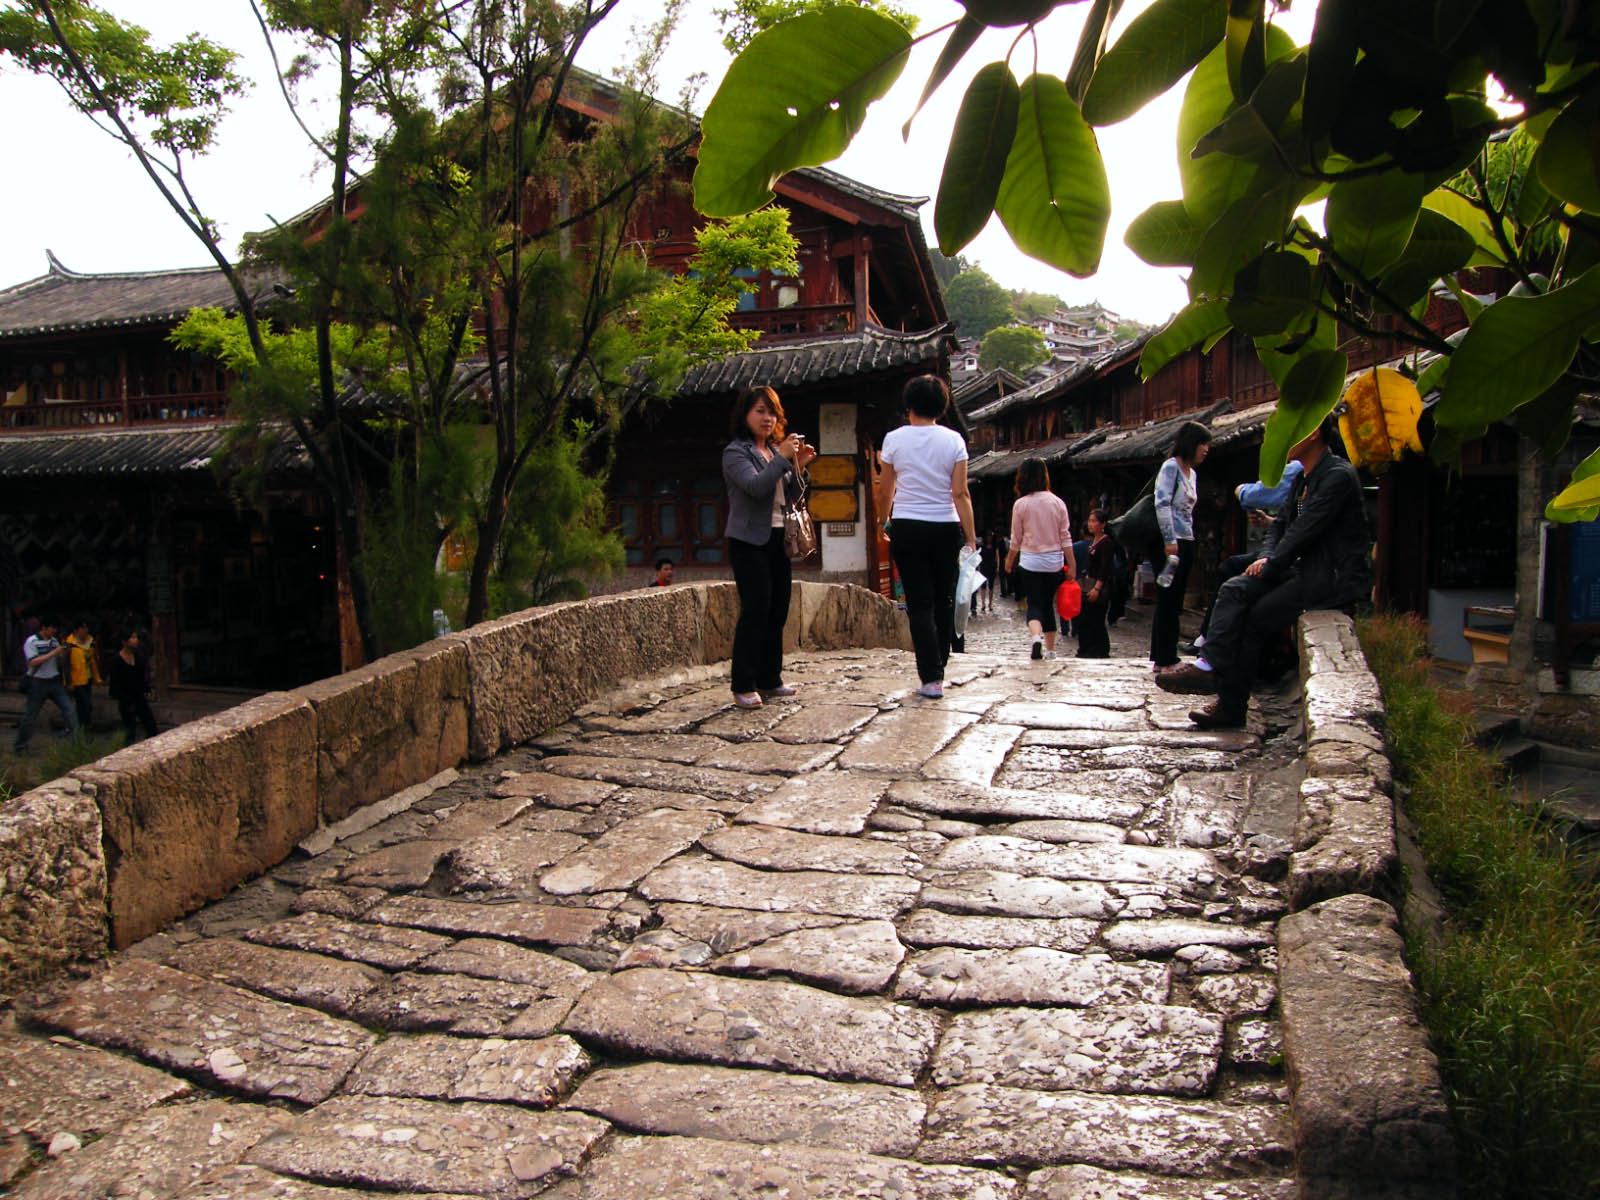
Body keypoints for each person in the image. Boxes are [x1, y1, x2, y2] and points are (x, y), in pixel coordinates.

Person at [1157, 416, 1372, 728]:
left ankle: (1230, 704)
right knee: (1234, 588)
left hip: (1329, 576)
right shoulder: (1303, 478)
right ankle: (1208, 666)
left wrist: (1272, 563)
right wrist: (1267, 555)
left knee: (1254, 620)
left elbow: (1304, 529)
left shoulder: (1337, 476)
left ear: (1313, 432)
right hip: (1300, 568)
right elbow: (1280, 525)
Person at [875, 375, 976, 699]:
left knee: (919, 603)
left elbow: (886, 489)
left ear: (909, 405)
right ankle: (940, 666)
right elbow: (960, 493)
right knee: (944, 599)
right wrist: (971, 537)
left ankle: (930, 677)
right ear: (941, 405)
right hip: (945, 527)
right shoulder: (954, 441)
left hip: (907, 526)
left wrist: (882, 521)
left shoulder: (894, 439)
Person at [722, 385, 815, 709]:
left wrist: (800, 466)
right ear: (745, 414)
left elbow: (789, 496)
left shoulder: (774, 451)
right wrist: (783, 458)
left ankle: (770, 678)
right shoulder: (736, 453)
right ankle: (743, 683)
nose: (767, 418)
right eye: (760, 411)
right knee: (756, 609)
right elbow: (755, 487)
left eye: (772, 412)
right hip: (748, 541)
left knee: (778, 609)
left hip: (778, 538)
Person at [1193, 459, 1305, 654]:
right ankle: (1209, 643)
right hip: (1282, 552)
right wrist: (1268, 524)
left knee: (1233, 575)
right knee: (1233, 568)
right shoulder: (1304, 477)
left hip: (1294, 559)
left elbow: (1251, 495)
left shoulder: (1299, 468)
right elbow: (1282, 525)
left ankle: (1210, 645)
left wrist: (1240, 490)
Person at [1151, 420, 1211, 670]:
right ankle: (1165, 657)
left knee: (1176, 600)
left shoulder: (1192, 474)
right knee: (1167, 598)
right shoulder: (1171, 467)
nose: (1206, 449)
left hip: (1187, 539)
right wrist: (1169, 539)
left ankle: (1163, 655)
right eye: (1202, 444)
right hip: (1170, 542)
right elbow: (1162, 503)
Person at [1004, 458, 1075, 661]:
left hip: (1030, 561)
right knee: (1047, 605)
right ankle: (1051, 651)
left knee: (1034, 603)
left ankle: (1036, 638)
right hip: (1054, 562)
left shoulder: (1021, 504)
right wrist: (1072, 564)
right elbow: (1065, 537)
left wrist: (1009, 559)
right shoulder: (1058, 503)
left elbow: (1016, 539)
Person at [12, 617, 78, 753]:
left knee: (70, 710)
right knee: (30, 717)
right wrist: (53, 652)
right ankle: (20, 746)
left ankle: (78, 742)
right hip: (37, 682)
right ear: (44, 627)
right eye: (52, 628)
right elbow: (32, 662)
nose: (54, 631)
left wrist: (63, 653)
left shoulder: (54, 641)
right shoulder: (31, 641)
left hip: (54, 681)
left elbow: (58, 661)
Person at [1076, 509, 1115, 658]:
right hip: (1088, 583)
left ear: (1103, 524)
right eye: (1090, 521)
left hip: (1099, 586)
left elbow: (1105, 568)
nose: (1090, 524)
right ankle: (1086, 648)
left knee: (1096, 619)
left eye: (1094, 521)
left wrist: (1097, 588)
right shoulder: (1094, 541)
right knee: (1085, 618)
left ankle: (1098, 649)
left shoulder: (1106, 543)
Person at [108, 629, 159, 743]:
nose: (136, 640)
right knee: (130, 732)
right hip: (126, 699)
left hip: (139, 697)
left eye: (136, 637)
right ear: (124, 641)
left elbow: (142, 677)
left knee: (151, 728)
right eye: (132, 638)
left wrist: (147, 689)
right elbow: (115, 683)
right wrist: (122, 697)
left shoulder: (139, 657)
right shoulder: (116, 661)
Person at [64, 618, 103, 731]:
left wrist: (97, 678)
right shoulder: (69, 645)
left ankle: (83, 726)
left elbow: (93, 662)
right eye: (83, 628)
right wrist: (68, 682)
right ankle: (81, 725)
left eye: (86, 627)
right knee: (86, 704)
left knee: (83, 705)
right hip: (76, 680)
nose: (86, 630)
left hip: (87, 678)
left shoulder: (90, 643)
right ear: (76, 630)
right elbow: (66, 666)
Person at [977, 530, 999, 614]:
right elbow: (978, 557)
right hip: (983, 567)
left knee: (991, 586)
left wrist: (997, 567)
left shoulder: (994, 546)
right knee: (983, 586)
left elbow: (997, 556)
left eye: (990, 536)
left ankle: (990, 604)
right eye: (988, 536)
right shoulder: (982, 546)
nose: (989, 538)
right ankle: (983, 604)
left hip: (992, 567)